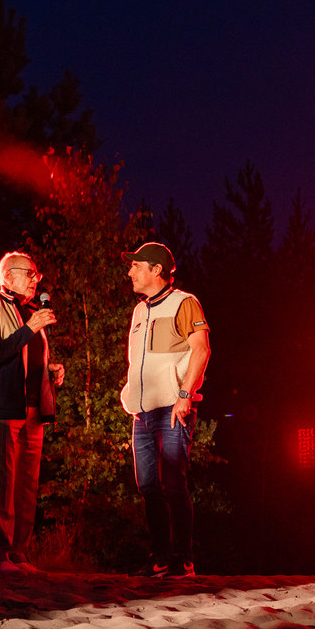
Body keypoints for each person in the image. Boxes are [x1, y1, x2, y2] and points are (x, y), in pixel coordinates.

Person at [0, 251, 65, 575]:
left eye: (37, 274)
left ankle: (18, 555)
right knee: (1, 482)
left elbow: (26, 356)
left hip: (32, 409)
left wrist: (50, 369)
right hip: (0, 408)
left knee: (26, 485)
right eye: (30, 273)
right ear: (7, 276)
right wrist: (30, 327)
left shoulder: (30, 312)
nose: (37, 279)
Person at [120, 242, 211, 578]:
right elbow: (138, 362)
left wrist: (185, 395)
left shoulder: (184, 302)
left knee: (174, 484)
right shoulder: (139, 311)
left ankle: (183, 560)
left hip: (173, 408)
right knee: (147, 486)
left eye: (136, 265)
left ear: (156, 269)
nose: (130, 272)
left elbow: (201, 350)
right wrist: (129, 394)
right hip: (142, 413)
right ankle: (159, 558)